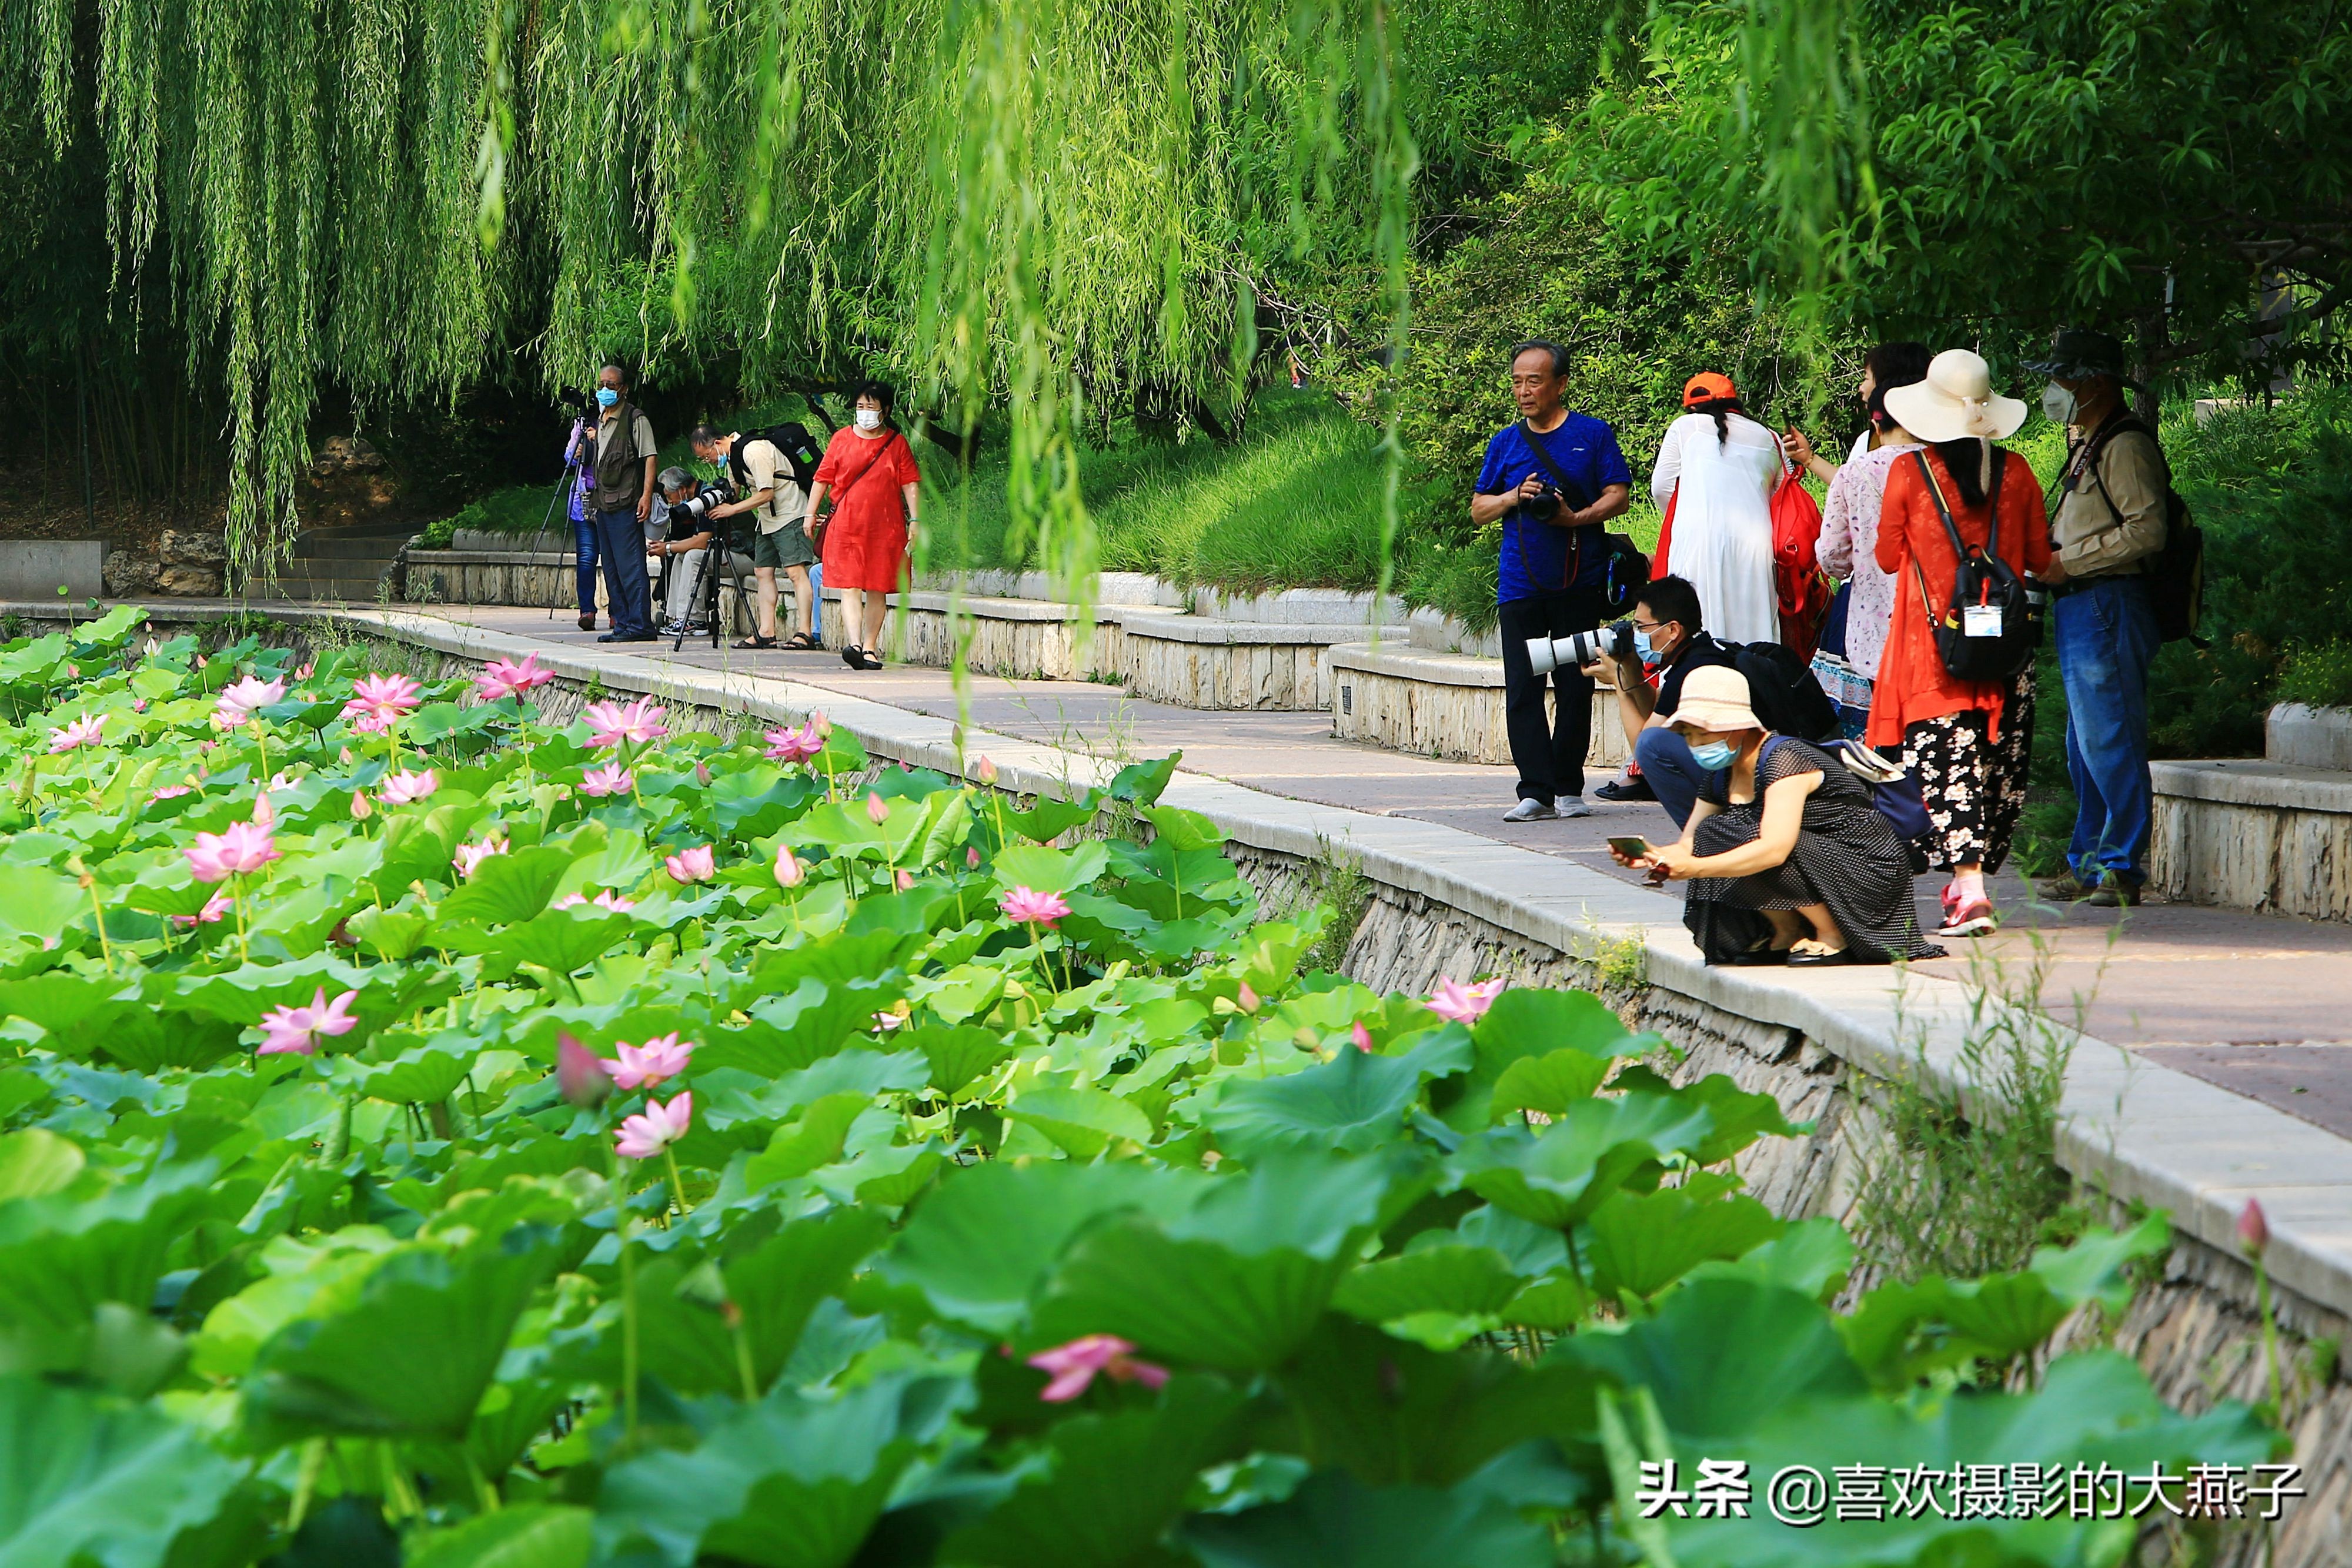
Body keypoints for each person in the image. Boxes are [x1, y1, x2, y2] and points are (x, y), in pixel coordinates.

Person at [1869, 349, 2051, 937]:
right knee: (1992, 764)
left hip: (1933, 650)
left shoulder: (1908, 473)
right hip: (2003, 650)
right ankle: (1969, 886)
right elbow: (2040, 558)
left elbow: (1887, 557)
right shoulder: (2018, 472)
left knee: (1948, 764)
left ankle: (1968, 892)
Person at [1611, 666, 1941, 967]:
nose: (1695, 743)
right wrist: (1656, 856)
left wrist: (1694, 869)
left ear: (1737, 727)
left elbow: (1774, 849)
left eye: (1703, 733)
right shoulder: (1722, 773)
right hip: (1817, 864)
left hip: (1864, 869)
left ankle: (1834, 935)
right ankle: (1787, 931)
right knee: (1716, 832)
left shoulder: (1785, 759)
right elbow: (1693, 841)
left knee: (1752, 837)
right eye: (1688, 735)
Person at [2027, 329, 2167, 908]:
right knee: (2084, 745)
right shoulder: (2090, 441)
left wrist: (2071, 561)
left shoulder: (2124, 444)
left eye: (2064, 378)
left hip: (2107, 599)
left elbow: (2147, 529)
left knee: (2110, 738)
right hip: (2082, 603)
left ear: (2096, 383)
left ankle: (2121, 866)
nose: (2055, 390)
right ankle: (2088, 861)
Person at [1470, 339, 1634, 823]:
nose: (1524, 391)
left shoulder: (1592, 434)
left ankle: (1568, 787)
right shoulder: (1506, 442)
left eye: (1534, 381)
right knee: (1523, 688)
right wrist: (1513, 497)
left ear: (1560, 384)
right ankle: (1535, 792)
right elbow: (1479, 509)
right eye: (1517, 381)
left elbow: (1619, 495)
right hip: (1520, 586)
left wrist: (1574, 518)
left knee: (1574, 686)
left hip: (1578, 584)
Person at [1808, 342, 1933, 735]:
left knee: (1886, 723)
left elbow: (1832, 555)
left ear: (1877, 425)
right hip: (1940, 617)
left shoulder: (1855, 471)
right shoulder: (1948, 463)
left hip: (1875, 624)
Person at [1581, 574, 1738, 822]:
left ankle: (1706, 831)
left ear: (1673, 630)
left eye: (1642, 627)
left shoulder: (1693, 670)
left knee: (1652, 744)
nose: (1637, 635)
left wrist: (1619, 685)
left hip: (1739, 779)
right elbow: (1655, 712)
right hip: (1742, 770)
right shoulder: (1702, 652)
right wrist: (1630, 668)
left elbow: (1645, 749)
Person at [1650, 373, 1781, 647]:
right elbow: (1783, 492)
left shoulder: (1685, 426)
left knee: (1699, 623)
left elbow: (1661, 486)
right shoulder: (1769, 437)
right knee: (1754, 626)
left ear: (1692, 407)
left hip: (1698, 540)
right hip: (1757, 544)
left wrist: (1684, 514)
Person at [808, 382, 922, 671]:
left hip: (886, 526)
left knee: (877, 587)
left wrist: (916, 519)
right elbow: (822, 478)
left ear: (885, 411)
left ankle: (870, 647)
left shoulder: (897, 444)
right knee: (850, 585)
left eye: (871, 407)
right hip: (846, 524)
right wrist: (810, 513)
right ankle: (855, 645)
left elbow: (910, 483)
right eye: (860, 406)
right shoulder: (842, 439)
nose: (864, 412)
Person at [690, 424, 818, 650]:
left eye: (707, 456)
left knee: (795, 573)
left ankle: (805, 633)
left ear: (717, 443)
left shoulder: (753, 450)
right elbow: (734, 492)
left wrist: (731, 510)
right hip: (767, 519)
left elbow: (766, 493)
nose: (709, 461)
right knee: (762, 572)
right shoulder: (734, 457)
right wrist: (709, 501)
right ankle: (766, 632)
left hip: (790, 512)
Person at [586, 363, 659, 643]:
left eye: (612, 385)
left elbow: (650, 457)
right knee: (612, 568)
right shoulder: (602, 419)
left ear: (624, 389)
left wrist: (646, 496)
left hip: (627, 503)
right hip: (604, 504)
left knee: (631, 567)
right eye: (601, 384)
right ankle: (623, 624)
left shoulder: (634, 418)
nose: (605, 389)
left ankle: (640, 625)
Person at [647, 467, 720, 635]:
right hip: (719, 553)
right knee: (681, 556)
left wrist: (667, 547)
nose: (670, 501)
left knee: (693, 556)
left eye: (669, 496)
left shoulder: (706, 497)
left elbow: (702, 542)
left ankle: (695, 619)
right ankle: (678, 616)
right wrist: (668, 545)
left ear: (681, 489)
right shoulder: (698, 497)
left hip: (736, 555)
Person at [562, 414, 599, 630]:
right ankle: (587, 611)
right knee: (586, 558)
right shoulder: (581, 424)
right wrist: (576, 453)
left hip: (611, 498)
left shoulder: (620, 420)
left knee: (614, 559)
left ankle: (618, 612)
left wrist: (599, 438)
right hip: (582, 498)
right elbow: (569, 458)